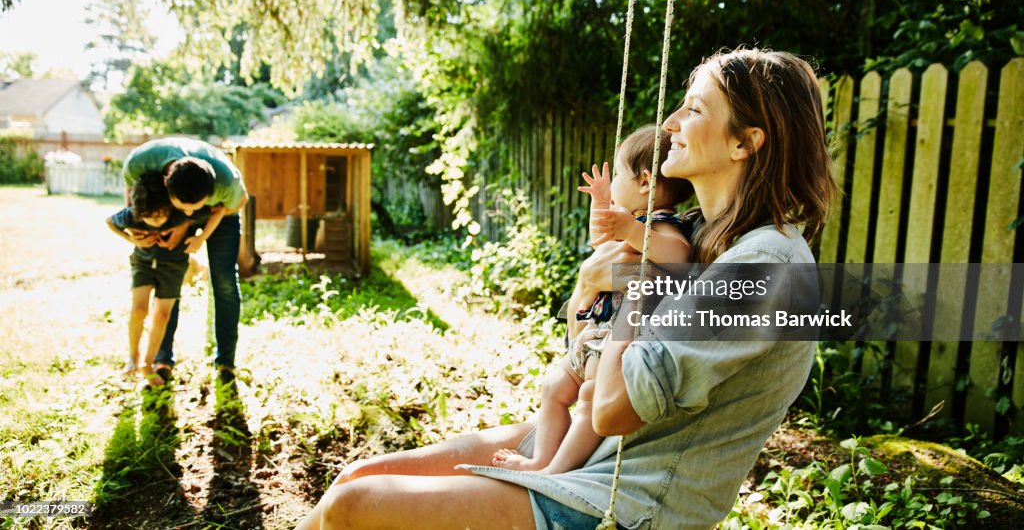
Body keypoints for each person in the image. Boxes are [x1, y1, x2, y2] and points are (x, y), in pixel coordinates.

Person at [296, 48, 836, 530]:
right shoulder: (698, 235)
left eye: (693, 109)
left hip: (624, 499)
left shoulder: (769, 264)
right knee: (355, 475)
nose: (670, 123)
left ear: (746, 141)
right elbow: (587, 328)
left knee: (355, 508)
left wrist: (637, 292)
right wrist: (600, 282)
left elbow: (612, 410)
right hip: (589, 456)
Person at [491, 125, 692, 474]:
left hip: (618, 343)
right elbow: (600, 243)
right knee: (554, 386)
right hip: (595, 334)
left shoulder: (662, 225)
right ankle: (540, 458)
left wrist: (630, 229)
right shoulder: (633, 219)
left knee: (589, 399)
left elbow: (680, 257)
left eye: (617, 175)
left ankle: (554, 471)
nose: (613, 184)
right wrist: (601, 203)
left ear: (645, 182)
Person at [122, 137, 249, 383]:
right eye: (185, 208)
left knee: (224, 279)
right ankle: (162, 359)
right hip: (173, 214)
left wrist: (197, 232)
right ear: (165, 184)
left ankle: (225, 362)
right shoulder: (140, 162)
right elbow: (130, 197)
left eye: (195, 207)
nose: (191, 211)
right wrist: (137, 230)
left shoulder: (225, 181)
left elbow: (238, 203)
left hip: (221, 217)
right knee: (169, 276)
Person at [106, 171, 198, 387]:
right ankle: (133, 356)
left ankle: (148, 364)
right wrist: (130, 238)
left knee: (162, 315)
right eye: (150, 217)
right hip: (143, 263)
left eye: (161, 215)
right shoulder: (133, 215)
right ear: (140, 211)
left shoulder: (179, 213)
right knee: (139, 310)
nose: (156, 221)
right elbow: (110, 221)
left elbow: (202, 214)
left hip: (173, 266)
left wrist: (184, 228)